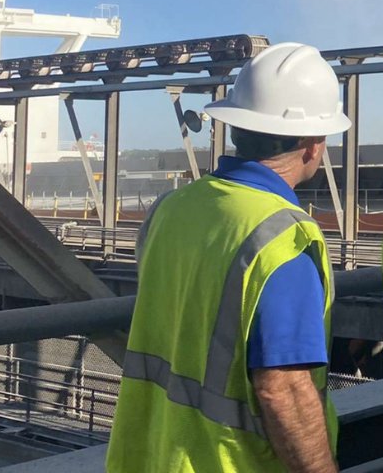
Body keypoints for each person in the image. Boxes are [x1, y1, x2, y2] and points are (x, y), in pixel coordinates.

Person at [108, 43, 348, 472]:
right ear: (314, 144)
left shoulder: (170, 209)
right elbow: (283, 388)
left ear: (237, 128)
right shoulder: (283, 238)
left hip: (147, 455)